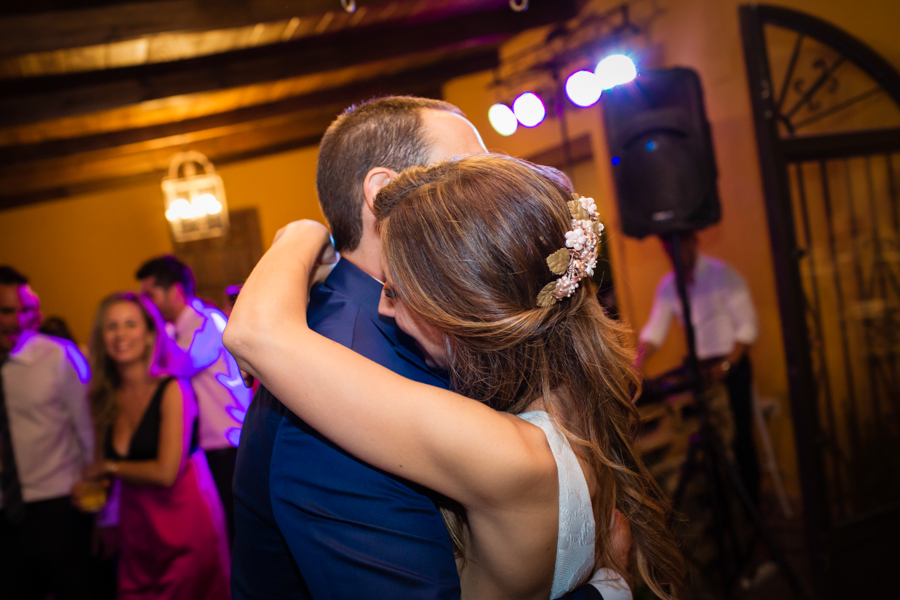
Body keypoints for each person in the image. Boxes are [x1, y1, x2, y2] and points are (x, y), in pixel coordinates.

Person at [225, 154, 684, 600]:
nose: (384, 306)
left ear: (462, 308)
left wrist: (301, 232)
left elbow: (254, 333)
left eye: (398, 289)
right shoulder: (578, 399)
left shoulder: (497, 449)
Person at [78, 291, 230, 599]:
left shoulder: (174, 389)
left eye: (130, 324)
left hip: (183, 520)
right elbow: (100, 473)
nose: (120, 334)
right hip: (137, 527)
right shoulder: (102, 397)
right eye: (111, 326)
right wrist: (96, 504)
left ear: (149, 335)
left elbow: (165, 472)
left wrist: (107, 468)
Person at [635, 231, 761, 504]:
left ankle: (751, 506)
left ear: (694, 243)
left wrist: (725, 368)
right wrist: (636, 365)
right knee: (701, 436)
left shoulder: (722, 275)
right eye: (670, 251)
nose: (675, 256)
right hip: (699, 369)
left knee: (740, 437)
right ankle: (718, 503)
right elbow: (654, 333)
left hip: (731, 365)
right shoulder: (669, 286)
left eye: (680, 248)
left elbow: (748, 328)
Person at [137, 256, 251, 542]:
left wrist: (151, 330)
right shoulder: (177, 329)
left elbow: (179, 366)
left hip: (228, 445)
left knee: (240, 530)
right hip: (207, 449)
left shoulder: (206, 321)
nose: (144, 304)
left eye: (149, 295)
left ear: (174, 292)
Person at [0, 265, 94, 600]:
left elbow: (87, 433)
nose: (16, 321)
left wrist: (101, 510)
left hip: (56, 506)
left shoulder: (57, 355)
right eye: (5, 311)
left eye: (23, 311)